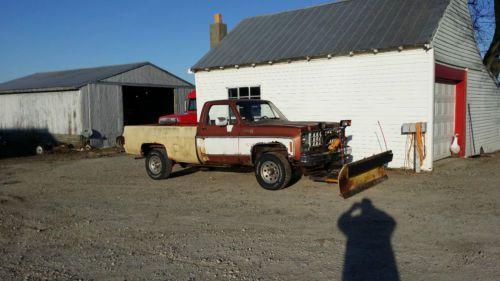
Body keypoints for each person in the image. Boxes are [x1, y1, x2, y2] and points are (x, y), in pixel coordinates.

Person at [337, 199, 399, 281]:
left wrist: (351, 209)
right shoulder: (378, 217)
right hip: (378, 252)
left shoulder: (356, 220)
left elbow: (341, 223)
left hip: (357, 253)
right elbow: (392, 222)